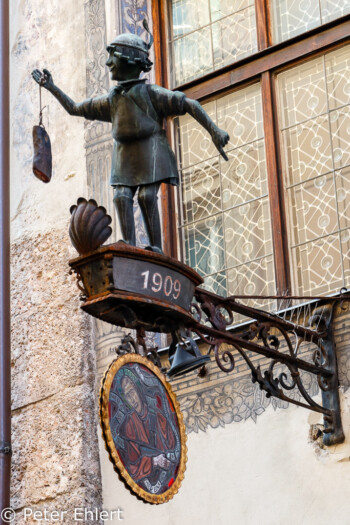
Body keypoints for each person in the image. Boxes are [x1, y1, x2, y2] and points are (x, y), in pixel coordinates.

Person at [32, 22, 230, 254]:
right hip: (124, 156)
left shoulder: (150, 93)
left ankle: (156, 247)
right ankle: (129, 245)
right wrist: (52, 87)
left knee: (147, 196)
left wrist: (215, 131)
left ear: (127, 59)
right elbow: (75, 108)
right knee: (121, 197)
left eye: (111, 58)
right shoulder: (112, 99)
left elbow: (189, 103)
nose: (107, 63)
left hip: (151, 151)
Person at [116, 368, 179, 493]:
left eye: (132, 391)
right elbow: (132, 467)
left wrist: (168, 458)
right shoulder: (128, 426)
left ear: (138, 390)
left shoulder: (158, 416)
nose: (132, 398)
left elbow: (173, 447)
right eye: (127, 396)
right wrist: (154, 461)